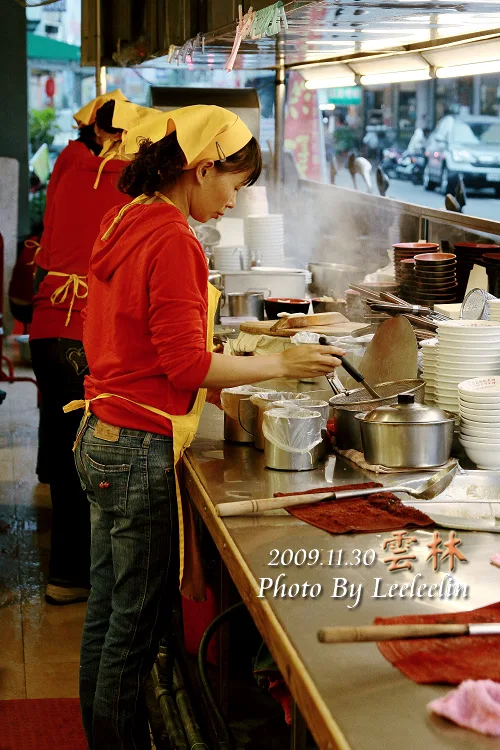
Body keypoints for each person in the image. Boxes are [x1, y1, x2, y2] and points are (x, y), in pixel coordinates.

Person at [66, 104, 346, 749]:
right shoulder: (173, 238)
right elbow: (187, 365)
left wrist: (253, 347)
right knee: (133, 630)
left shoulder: (128, 216)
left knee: (108, 617)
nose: (233, 200)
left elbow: (153, 340)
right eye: (233, 184)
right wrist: (284, 363)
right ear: (200, 167)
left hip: (104, 435)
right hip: (138, 448)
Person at [30, 97, 131, 606]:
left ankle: (71, 569)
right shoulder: (128, 179)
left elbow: (49, 248)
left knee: (65, 445)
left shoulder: (72, 168)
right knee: (84, 461)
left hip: (46, 324)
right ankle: (70, 576)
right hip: (79, 330)